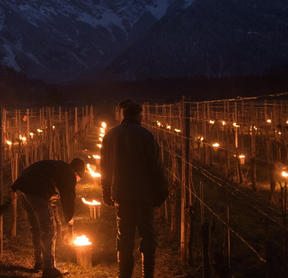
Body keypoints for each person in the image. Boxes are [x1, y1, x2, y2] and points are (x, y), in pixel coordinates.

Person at [101, 99, 169, 278]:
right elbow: (156, 167)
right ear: (139, 115)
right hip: (144, 195)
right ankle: (148, 275)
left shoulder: (110, 135)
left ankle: (123, 276)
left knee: (124, 237)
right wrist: (161, 192)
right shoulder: (146, 135)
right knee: (148, 237)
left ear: (124, 115)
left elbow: (104, 167)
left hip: (121, 194)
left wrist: (106, 191)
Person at [11, 158, 86, 278]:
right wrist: (70, 223)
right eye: (78, 179)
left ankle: (39, 262)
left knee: (36, 227)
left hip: (21, 188)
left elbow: (52, 202)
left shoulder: (58, 169)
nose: (76, 182)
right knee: (48, 230)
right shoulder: (69, 173)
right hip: (36, 190)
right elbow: (69, 199)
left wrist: (59, 222)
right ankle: (49, 269)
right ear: (76, 173)